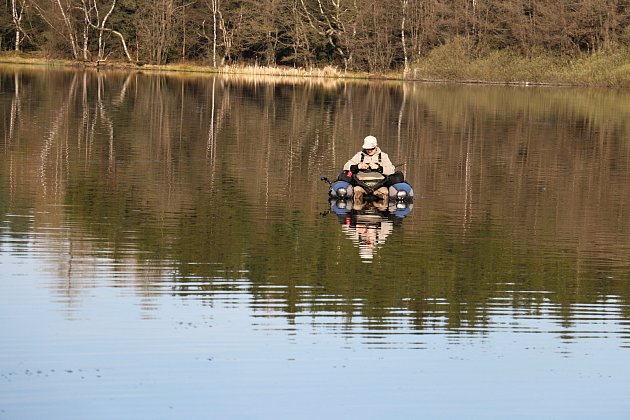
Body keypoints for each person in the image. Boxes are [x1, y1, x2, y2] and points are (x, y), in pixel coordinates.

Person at [343, 135, 395, 207]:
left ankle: (381, 213)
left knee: (385, 196)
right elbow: (346, 166)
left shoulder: (383, 156)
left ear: (376, 146)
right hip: (361, 185)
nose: (369, 150)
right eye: (367, 148)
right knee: (356, 194)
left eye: (372, 148)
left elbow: (392, 170)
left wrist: (378, 168)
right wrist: (358, 166)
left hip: (380, 186)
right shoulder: (359, 155)